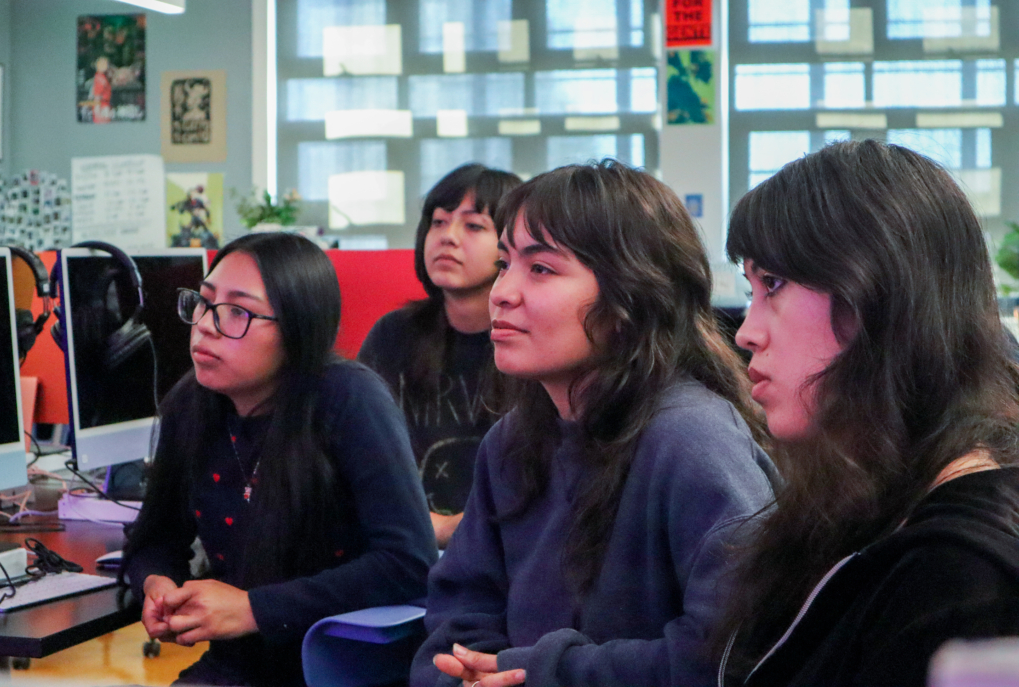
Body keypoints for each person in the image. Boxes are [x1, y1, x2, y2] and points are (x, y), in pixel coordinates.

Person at [411, 160, 777, 687]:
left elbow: (732, 653)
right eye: (504, 264)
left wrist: (543, 672)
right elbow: (457, 617)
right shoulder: (511, 441)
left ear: (630, 296)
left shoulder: (690, 440)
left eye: (541, 269)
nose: (502, 292)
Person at [716, 140, 1019, 687]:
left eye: (773, 285)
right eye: (750, 290)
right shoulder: (866, 498)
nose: (746, 332)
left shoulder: (960, 576)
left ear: (875, 295)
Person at [122, 232, 438, 687]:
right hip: (238, 667)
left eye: (238, 312)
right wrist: (158, 586)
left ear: (296, 330)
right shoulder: (190, 403)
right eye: (204, 302)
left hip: (346, 668)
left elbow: (408, 563)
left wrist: (254, 609)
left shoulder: (349, 399)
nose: (205, 325)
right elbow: (154, 540)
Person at [359, 163, 521, 547]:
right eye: (438, 222)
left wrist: (450, 529)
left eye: (474, 226)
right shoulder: (393, 335)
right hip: (401, 548)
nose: (448, 237)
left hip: (503, 550)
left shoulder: (533, 343)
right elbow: (351, 451)